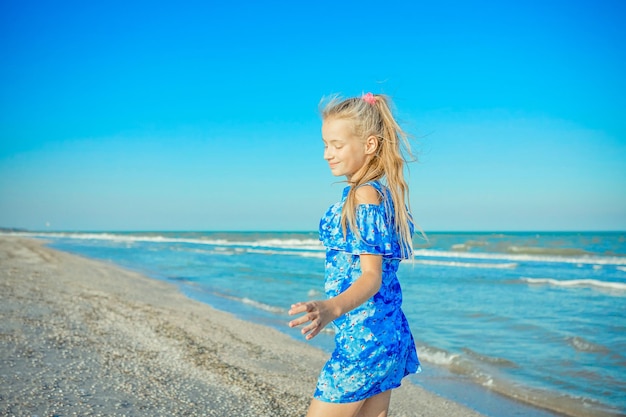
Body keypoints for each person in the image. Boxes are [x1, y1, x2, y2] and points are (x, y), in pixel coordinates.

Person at [288, 92, 420, 417]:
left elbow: (372, 277)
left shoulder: (364, 196)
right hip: (386, 334)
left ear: (370, 145)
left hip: (364, 342)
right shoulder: (381, 194)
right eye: (325, 144)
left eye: (336, 145)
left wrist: (330, 307)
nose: (326, 154)